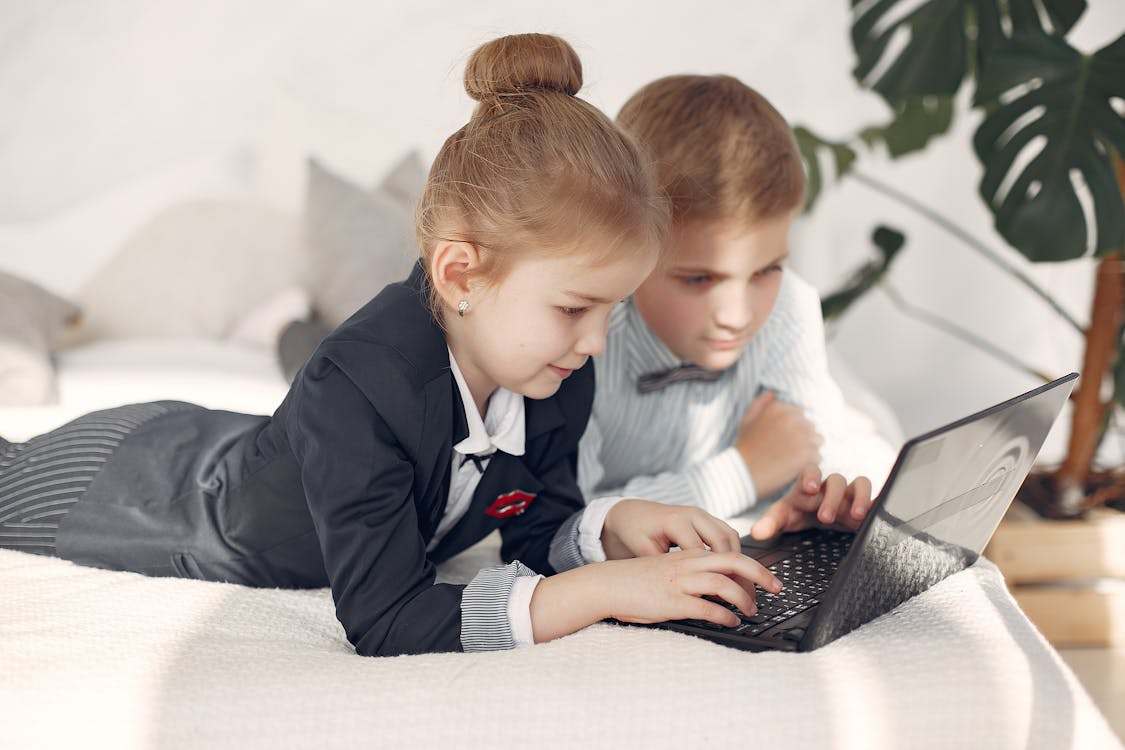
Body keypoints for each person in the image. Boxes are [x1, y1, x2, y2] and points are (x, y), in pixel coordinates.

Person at [0, 36, 790, 658]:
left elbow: (533, 521)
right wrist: (612, 593)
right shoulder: (359, 383)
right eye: (576, 306)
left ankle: (286, 332)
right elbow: (387, 618)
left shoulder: (554, 367)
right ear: (460, 274)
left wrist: (612, 528)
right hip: (148, 488)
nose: (596, 341)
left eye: (611, 310)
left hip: (265, 445)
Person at [579, 74, 898, 541]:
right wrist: (743, 472)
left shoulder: (789, 305)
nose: (737, 315)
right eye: (699, 279)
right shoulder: (585, 336)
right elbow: (567, 522)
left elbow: (812, 445)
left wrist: (827, 492)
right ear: (627, 248)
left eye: (766, 270)